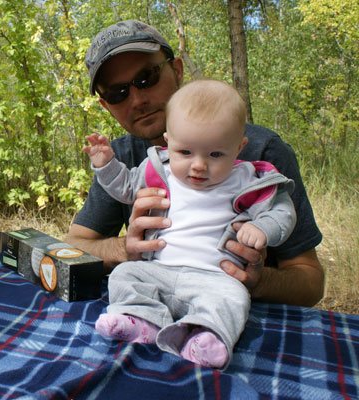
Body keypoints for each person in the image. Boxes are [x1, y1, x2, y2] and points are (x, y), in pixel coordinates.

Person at [65, 19, 324, 308]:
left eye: (146, 78)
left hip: (235, 310)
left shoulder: (263, 154)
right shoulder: (120, 159)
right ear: (106, 105)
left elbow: (311, 283)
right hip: (154, 300)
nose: (137, 100)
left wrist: (257, 281)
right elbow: (74, 244)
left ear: (176, 70)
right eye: (117, 92)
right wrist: (127, 250)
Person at [84, 79, 296, 369]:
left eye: (215, 154)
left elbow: (283, 212)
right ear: (168, 142)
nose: (198, 165)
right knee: (124, 274)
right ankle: (142, 321)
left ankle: (205, 338)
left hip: (215, 277)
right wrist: (106, 165)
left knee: (233, 298)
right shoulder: (159, 171)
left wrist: (262, 229)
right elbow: (125, 186)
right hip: (158, 270)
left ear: (239, 148)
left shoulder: (249, 179)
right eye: (185, 152)